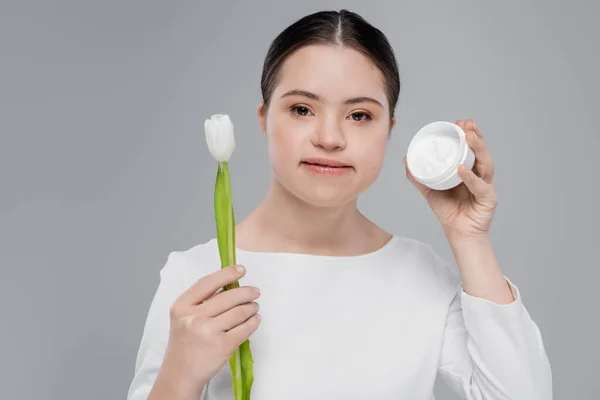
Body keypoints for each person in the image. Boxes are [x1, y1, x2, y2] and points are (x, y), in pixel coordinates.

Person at [127, 9, 552, 400]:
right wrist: (180, 376)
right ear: (263, 118)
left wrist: (470, 238)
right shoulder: (196, 277)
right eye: (301, 108)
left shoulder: (421, 275)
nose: (329, 138)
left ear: (389, 129)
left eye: (360, 115)